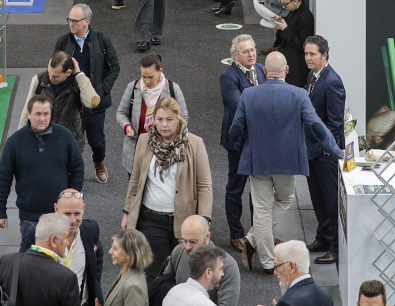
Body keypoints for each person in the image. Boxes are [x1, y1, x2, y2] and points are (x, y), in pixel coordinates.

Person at [229, 51, 339, 276]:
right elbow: (316, 127)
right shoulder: (299, 95)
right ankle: (254, 244)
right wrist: (335, 150)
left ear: (265, 72)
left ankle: (265, 260)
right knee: (284, 199)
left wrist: (244, 149)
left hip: (257, 161)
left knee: (260, 210)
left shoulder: (248, 95)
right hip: (288, 163)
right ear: (287, 70)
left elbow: (236, 131)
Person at [122, 97, 212, 281]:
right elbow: (136, 180)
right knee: (155, 276)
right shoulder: (144, 140)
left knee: (184, 276)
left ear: (178, 119)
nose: (164, 125)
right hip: (151, 220)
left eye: (169, 119)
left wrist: (203, 220)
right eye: (159, 119)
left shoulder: (194, 144)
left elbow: (204, 186)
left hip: (184, 222)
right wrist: (126, 212)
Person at [0, 95, 85, 245]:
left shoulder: (65, 136)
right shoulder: (15, 142)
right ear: (29, 114)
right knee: (30, 260)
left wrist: (72, 198)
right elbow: (4, 178)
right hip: (30, 218)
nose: (42, 118)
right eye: (37, 114)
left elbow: (77, 168)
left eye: (46, 114)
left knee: (62, 258)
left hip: (60, 215)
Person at [56, 3, 121, 184]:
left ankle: (98, 162)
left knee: (97, 142)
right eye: (69, 20)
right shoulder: (63, 42)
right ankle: (72, 172)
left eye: (75, 21)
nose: (71, 24)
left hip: (95, 102)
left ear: (87, 21)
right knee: (71, 141)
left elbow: (114, 67)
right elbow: (54, 67)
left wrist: (101, 90)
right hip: (70, 102)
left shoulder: (102, 40)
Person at [219, 35, 265, 252]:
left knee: (260, 188)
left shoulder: (263, 70)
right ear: (234, 55)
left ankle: (258, 233)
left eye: (253, 49)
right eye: (246, 51)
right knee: (235, 187)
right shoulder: (227, 77)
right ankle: (236, 233)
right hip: (237, 141)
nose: (252, 54)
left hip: (259, 140)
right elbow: (240, 105)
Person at [21, 189, 104, 306]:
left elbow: (97, 258)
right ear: (56, 209)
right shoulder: (37, 233)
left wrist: (96, 290)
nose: (72, 220)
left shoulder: (90, 230)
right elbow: (22, 267)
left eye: (77, 214)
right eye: (67, 214)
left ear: (83, 209)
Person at [303, 37, 345, 264]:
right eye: (307, 54)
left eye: (313, 54)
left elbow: (335, 126)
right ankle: (324, 237)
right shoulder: (313, 76)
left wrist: (323, 150)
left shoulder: (332, 82)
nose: (308, 58)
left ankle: (336, 248)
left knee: (331, 202)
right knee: (318, 199)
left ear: (324, 55)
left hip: (326, 154)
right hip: (312, 151)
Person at [117, 53, 189, 174]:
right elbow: (121, 112)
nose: (146, 81)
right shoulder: (133, 87)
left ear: (160, 71)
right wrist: (127, 126)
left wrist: (170, 133)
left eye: (150, 77)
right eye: (143, 76)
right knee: (136, 189)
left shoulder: (173, 89)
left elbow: (184, 118)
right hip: (137, 149)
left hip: (165, 150)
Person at [0, 212, 81, 306]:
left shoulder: (6, 262)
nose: (67, 243)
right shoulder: (66, 278)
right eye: (66, 237)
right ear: (53, 240)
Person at [17, 51, 101, 149]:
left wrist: (79, 75)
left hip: (69, 142)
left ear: (68, 72)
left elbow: (92, 103)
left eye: (55, 76)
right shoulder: (39, 80)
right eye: (49, 73)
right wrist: (20, 138)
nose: (50, 78)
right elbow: (27, 110)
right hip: (43, 140)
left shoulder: (79, 83)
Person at [160, 215, 240, 306]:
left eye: (193, 241)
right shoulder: (179, 251)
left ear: (207, 237)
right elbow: (165, 284)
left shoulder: (227, 266)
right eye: (184, 241)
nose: (187, 247)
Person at [271, 0, 313, 87]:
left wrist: (285, 29)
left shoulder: (306, 17)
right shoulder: (294, 11)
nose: (284, 7)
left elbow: (302, 45)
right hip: (289, 59)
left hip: (296, 67)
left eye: (285, 4)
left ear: (295, 0)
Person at [272, 242, 332, 306]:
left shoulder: (287, 302)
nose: (275, 272)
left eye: (277, 266)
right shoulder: (326, 295)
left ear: (291, 267)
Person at [104, 229, 151, 306]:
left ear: (129, 254)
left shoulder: (133, 286)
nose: (110, 251)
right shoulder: (126, 273)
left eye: (115, 249)